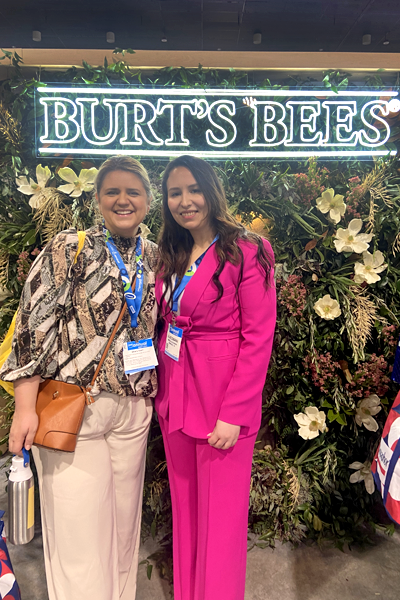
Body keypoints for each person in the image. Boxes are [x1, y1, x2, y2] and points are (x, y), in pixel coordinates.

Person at [0, 156, 158, 600]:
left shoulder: (156, 255)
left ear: (149, 200)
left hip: (133, 410)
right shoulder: (69, 246)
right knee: (77, 538)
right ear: (97, 198)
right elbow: (32, 329)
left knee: (123, 532)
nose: (123, 200)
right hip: (75, 409)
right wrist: (25, 409)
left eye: (134, 191)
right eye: (113, 191)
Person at [155, 155, 277, 600]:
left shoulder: (248, 249)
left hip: (222, 402)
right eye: (174, 193)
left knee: (220, 524)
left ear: (211, 190)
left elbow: (258, 337)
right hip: (175, 397)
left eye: (193, 189)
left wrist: (235, 413)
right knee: (186, 513)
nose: (185, 201)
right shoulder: (172, 251)